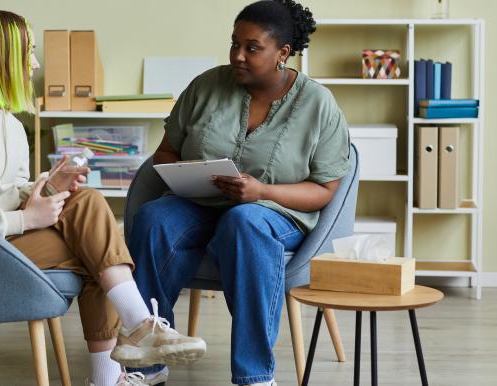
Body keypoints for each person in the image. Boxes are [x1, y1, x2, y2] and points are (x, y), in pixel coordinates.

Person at [0, 9, 205, 386]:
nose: (36, 62)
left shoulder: (4, 120)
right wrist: (28, 219)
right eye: (28, 52)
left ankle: (133, 338)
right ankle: (133, 338)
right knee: (97, 251)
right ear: (2, 59)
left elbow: (2, 192)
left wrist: (46, 189)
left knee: (92, 221)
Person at [127, 1, 350, 385]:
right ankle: (148, 364)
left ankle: (255, 376)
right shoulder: (206, 86)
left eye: (252, 47)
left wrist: (262, 191)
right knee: (154, 218)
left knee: (244, 221)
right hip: (200, 203)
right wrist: (186, 176)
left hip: (276, 213)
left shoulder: (318, 103)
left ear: (282, 52)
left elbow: (325, 190)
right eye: (234, 44)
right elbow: (166, 152)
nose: (237, 56)